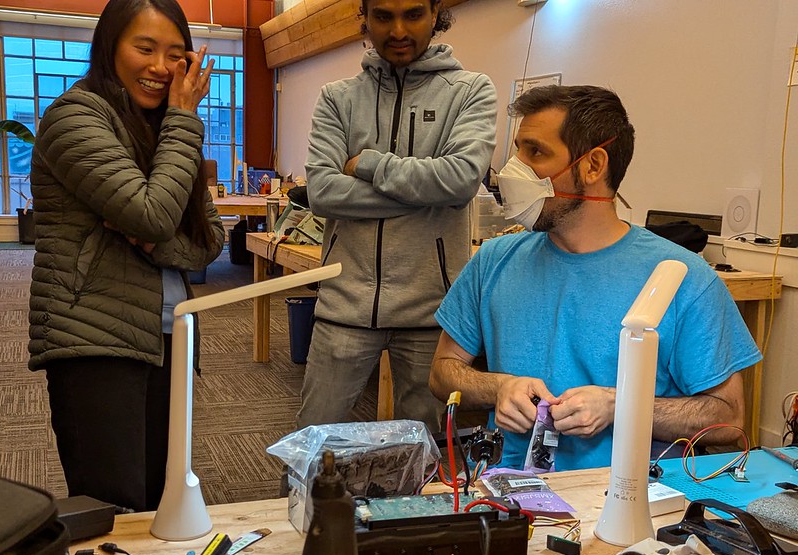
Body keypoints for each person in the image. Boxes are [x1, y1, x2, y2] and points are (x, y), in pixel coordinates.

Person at [429, 85, 762, 471]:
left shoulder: (682, 278)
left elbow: (728, 419)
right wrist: (498, 387)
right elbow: (442, 372)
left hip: (628, 501)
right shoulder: (494, 262)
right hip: (511, 496)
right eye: (517, 149)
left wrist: (620, 406)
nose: (512, 169)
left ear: (592, 166)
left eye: (535, 152)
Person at [28, 0, 225, 511]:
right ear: (110, 46)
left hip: (166, 335)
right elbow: (157, 215)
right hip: (95, 337)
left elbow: (208, 241)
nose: (161, 68)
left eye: (176, 55)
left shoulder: (160, 127)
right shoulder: (74, 117)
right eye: (145, 48)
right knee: (112, 511)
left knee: (161, 501)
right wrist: (184, 120)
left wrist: (153, 240)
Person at [297, 0, 497, 431]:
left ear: (435, 15)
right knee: (310, 447)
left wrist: (367, 164)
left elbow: (461, 180)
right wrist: (430, 192)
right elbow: (324, 192)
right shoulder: (338, 97)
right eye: (384, 16)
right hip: (344, 306)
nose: (399, 29)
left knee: (424, 456)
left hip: (431, 313)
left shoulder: (470, 91)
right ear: (366, 19)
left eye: (413, 14)